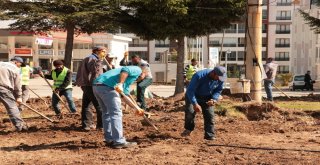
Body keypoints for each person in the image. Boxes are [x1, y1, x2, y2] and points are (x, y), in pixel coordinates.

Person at [93, 66, 144, 149]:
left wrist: (136, 108)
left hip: (97, 86)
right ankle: (119, 141)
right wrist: (120, 83)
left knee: (106, 113)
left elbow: (125, 96)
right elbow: (125, 70)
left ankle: (109, 139)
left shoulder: (127, 80)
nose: (139, 80)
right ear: (143, 74)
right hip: (107, 87)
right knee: (116, 113)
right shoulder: (138, 70)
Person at [181, 66, 226, 140]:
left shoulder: (221, 77)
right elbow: (190, 91)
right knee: (190, 112)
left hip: (207, 97)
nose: (219, 79)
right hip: (193, 96)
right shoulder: (199, 76)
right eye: (218, 77)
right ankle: (188, 129)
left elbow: (218, 89)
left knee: (210, 116)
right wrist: (195, 104)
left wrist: (213, 99)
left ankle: (209, 135)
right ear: (213, 73)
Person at [76, 46, 106, 131]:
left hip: (86, 85)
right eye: (103, 51)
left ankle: (86, 125)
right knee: (99, 105)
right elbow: (96, 74)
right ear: (96, 51)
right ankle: (101, 126)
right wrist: (99, 84)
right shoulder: (95, 60)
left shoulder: (87, 58)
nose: (104, 53)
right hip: (92, 85)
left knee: (87, 105)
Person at [0, 56, 28, 131]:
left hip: (3, 88)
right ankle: (20, 127)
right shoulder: (15, 69)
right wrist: (18, 96)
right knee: (12, 107)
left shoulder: (1, 63)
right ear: (16, 62)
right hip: (3, 89)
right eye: (20, 64)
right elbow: (17, 85)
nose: (20, 66)